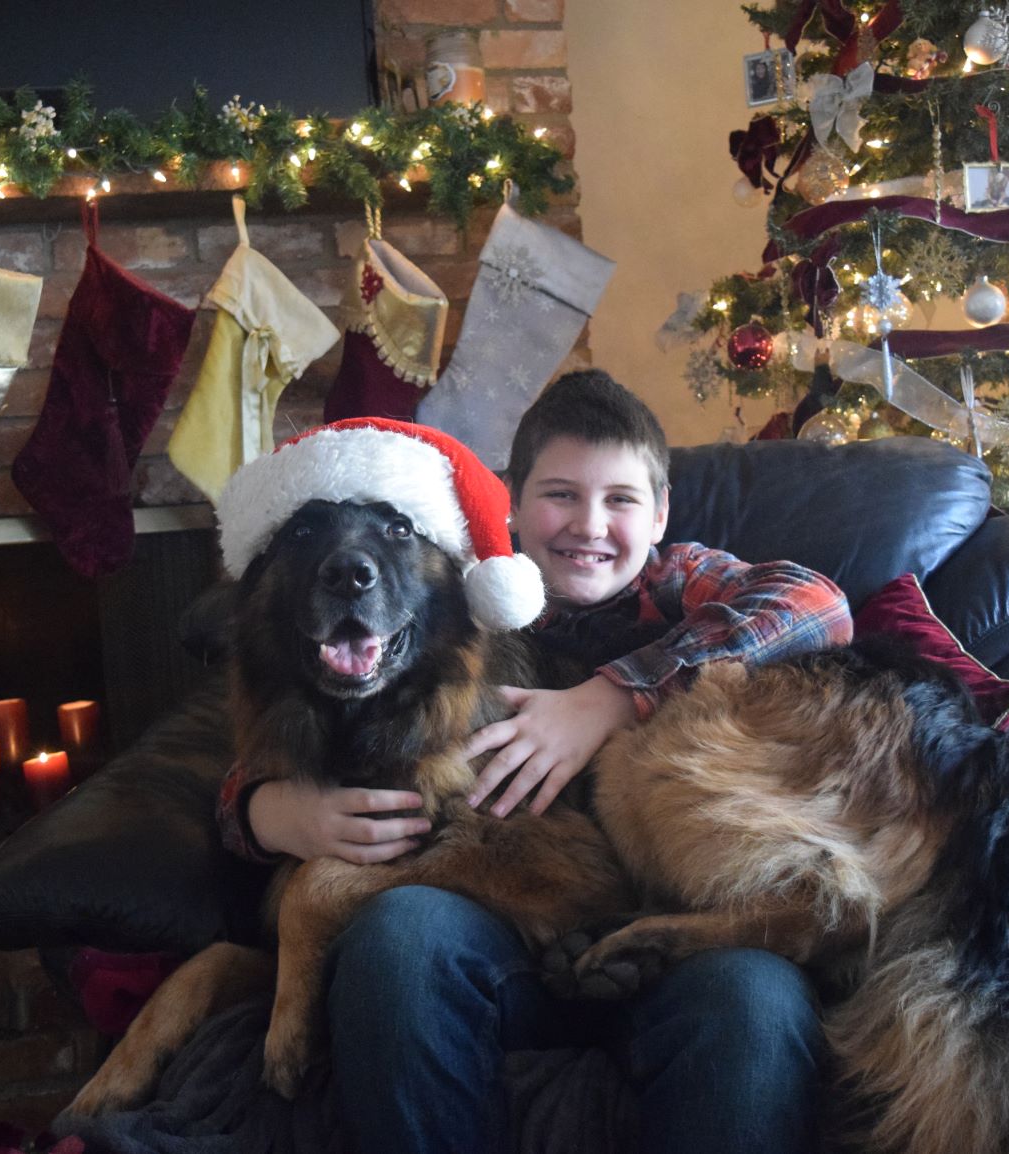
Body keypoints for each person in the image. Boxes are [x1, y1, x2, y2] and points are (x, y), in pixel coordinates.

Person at [215, 370, 853, 1153]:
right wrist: (263, 812)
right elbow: (299, 721)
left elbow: (816, 606)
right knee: (402, 936)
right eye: (560, 495)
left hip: (673, 923)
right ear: (511, 501)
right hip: (499, 939)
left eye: (621, 500)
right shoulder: (457, 595)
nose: (590, 525)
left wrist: (611, 697)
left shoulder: (677, 581)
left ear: (659, 515)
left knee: (757, 997)